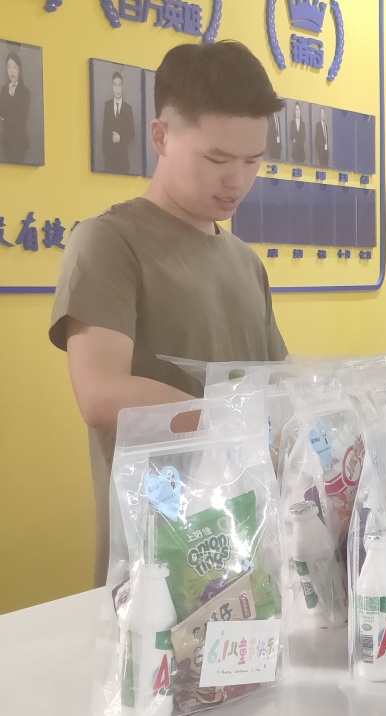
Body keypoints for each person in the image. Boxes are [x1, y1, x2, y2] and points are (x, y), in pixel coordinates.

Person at [50, 41, 289, 588]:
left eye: (252, 161)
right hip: (157, 563)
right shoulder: (109, 243)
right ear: (160, 136)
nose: (237, 180)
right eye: (217, 159)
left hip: (250, 547)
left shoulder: (245, 262)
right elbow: (100, 393)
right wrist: (226, 423)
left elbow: (276, 387)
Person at [101, 71, 136, 174]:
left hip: (122, 161)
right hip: (109, 160)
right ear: (112, 87)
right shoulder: (107, 106)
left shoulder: (128, 108)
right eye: (115, 85)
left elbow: (132, 135)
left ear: (122, 87)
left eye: (119, 85)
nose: (117, 88)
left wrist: (120, 138)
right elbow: (104, 131)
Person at [0, 50, 31, 163]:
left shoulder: (25, 92)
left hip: (20, 141)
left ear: (19, 70)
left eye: (14, 67)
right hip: (6, 141)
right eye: (9, 67)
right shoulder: (4, 90)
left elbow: (21, 119)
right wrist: (9, 94)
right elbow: (1, 114)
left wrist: (6, 117)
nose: (11, 71)